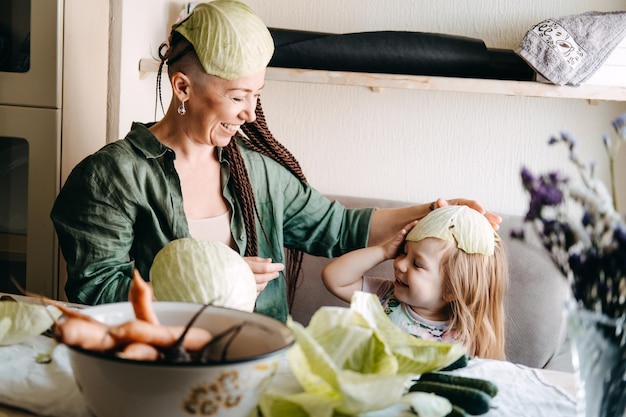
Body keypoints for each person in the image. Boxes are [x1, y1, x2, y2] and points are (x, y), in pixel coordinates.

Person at [50, 0, 501, 323]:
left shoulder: (256, 172)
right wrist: (217, 283)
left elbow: (341, 229)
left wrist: (434, 212)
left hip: (265, 360)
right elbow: (96, 294)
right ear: (183, 88)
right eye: (237, 96)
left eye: (257, 96)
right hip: (158, 367)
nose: (250, 113)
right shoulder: (109, 178)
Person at [322, 205, 508, 359]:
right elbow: (334, 278)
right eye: (403, 251)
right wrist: (384, 251)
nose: (400, 264)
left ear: (452, 290)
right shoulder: (384, 296)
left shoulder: (464, 338)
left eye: (417, 264)